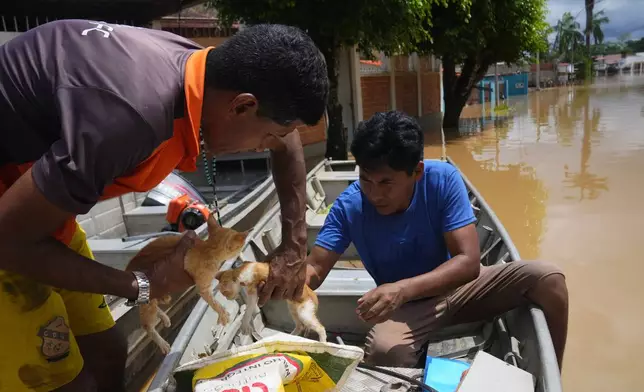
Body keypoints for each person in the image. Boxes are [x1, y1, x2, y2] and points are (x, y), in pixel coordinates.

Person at [0, 20, 327, 392]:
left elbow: (290, 142)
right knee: (63, 380)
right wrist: (143, 284)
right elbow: (8, 241)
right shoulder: (130, 119)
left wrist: (294, 248)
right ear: (242, 106)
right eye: (269, 135)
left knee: (107, 351)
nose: (267, 146)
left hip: (36, 214)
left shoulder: (202, 71)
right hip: (11, 228)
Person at [305, 111, 568, 370]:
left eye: (386, 182)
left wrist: (402, 288)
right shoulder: (349, 206)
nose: (374, 193)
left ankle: (553, 374)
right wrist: (281, 280)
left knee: (549, 279)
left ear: (416, 171)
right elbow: (315, 268)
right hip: (409, 308)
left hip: (462, 289)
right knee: (385, 351)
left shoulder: (442, 179)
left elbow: (468, 263)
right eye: (365, 179)